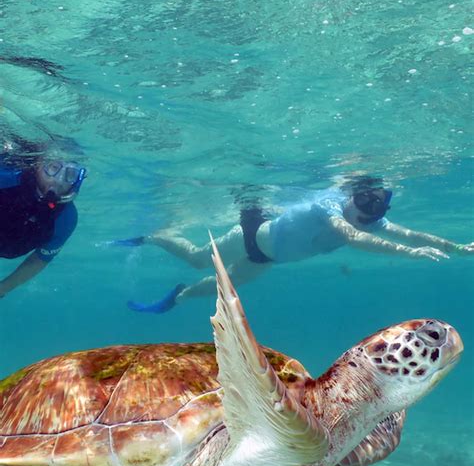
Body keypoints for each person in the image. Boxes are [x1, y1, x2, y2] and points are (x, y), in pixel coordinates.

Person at [112, 179, 474, 314]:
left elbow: (411, 235)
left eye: (375, 204)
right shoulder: (329, 205)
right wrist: (410, 255)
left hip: (269, 258)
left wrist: (456, 247)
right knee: (196, 260)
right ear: (352, 194)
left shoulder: (372, 222)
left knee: (224, 287)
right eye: (363, 198)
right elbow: (352, 237)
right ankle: (152, 235)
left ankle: (176, 298)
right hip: (252, 235)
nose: (365, 207)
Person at [0, 136, 86, 297]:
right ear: (38, 164)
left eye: (70, 173)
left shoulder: (66, 218)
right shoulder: (5, 177)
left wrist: (3, 288)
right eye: (53, 168)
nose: (59, 180)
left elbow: (41, 258)